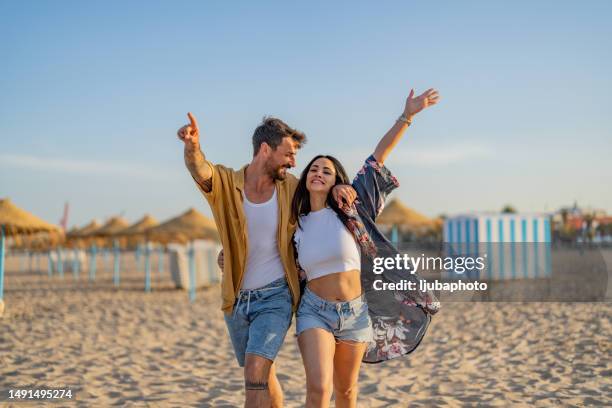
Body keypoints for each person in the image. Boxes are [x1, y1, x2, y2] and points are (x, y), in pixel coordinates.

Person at [176, 114, 356, 408]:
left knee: (254, 372)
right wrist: (192, 147)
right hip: (235, 299)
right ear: (265, 150)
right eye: (288, 154)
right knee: (263, 373)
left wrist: (337, 189)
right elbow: (199, 170)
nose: (293, 163)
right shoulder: (226, 183)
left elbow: (320, 191)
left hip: (276, 296)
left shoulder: (291, 188)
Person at [291, 88, 441, 407]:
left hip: (355, 313)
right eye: (314, 169)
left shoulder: (353, 207)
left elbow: (378, 157)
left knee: (346, 391)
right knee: (318, 388)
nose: (319, 173)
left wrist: (408, 116)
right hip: (314, 311)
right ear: (305, 178)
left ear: (336, 180)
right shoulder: (294, 222)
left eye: (327, 170)